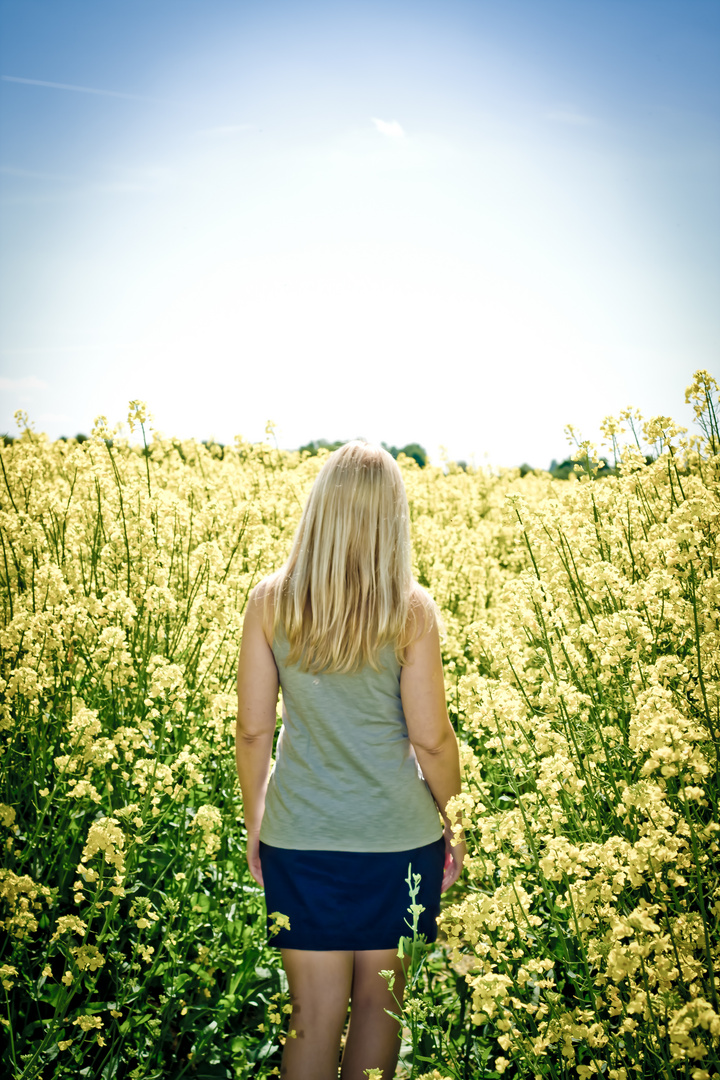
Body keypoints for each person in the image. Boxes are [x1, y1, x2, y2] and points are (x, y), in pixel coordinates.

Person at [235, 441, 465, 1080]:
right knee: (377, 1006)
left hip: (300, 838)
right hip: (397, 841)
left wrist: (256, 820)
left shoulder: (269, 601)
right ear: (392, 517)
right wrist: (456, 820)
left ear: (319, 510)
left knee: (310, 1015)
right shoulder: (410, 609)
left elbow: (254, 731)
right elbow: (433, 740)